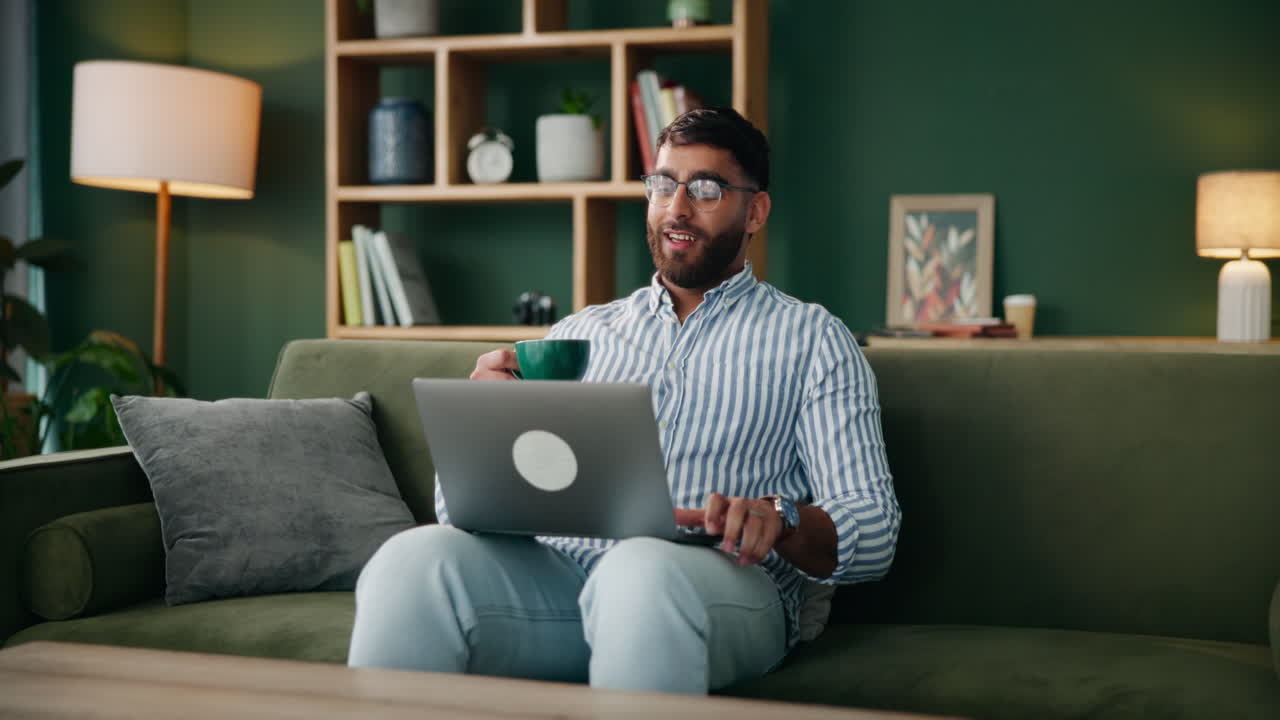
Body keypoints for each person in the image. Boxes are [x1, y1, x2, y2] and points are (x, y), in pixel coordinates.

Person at [348, 107, 900, 695]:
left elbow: (874, 527)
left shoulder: (814, 338)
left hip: (723, 585)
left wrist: (780, 518)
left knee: (639, 573)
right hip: (563, 583)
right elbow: (460, 515)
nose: (677, 209)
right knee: (410, 562)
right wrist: (487, 426)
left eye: (706, 189)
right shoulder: (576, 335)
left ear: (755, 211)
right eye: (663, 184)